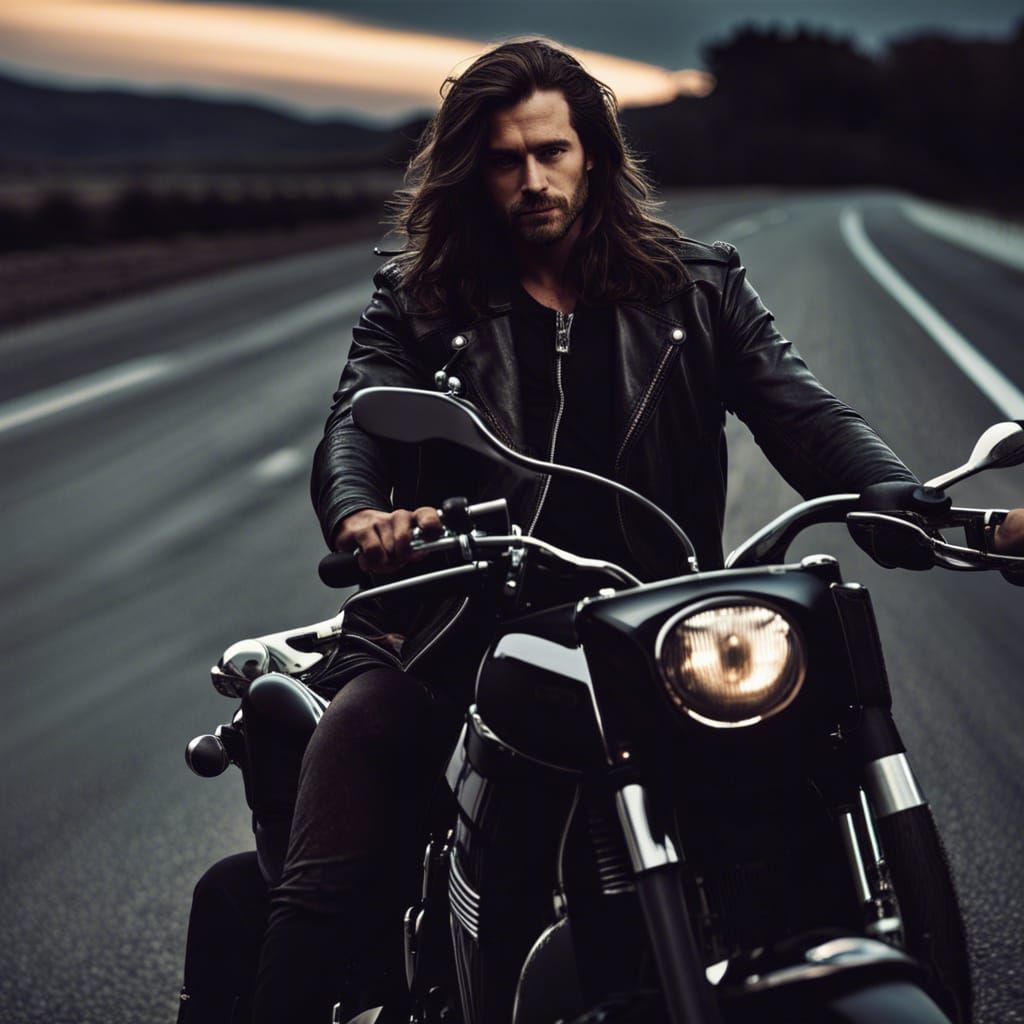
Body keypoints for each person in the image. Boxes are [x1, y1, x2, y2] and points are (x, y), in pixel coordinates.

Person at [184, 37, 1023, 1024]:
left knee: (799, 738)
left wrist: (905, 501)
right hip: (454, 634)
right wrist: (363, 514)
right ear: (472, 171)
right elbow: (355, 423)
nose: (533, 180)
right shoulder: (420, 306)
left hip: (646, 628)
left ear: (593, 154)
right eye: (506, 159)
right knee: (338, 833)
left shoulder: (695, 287)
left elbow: (803, 414)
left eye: (552, 151)